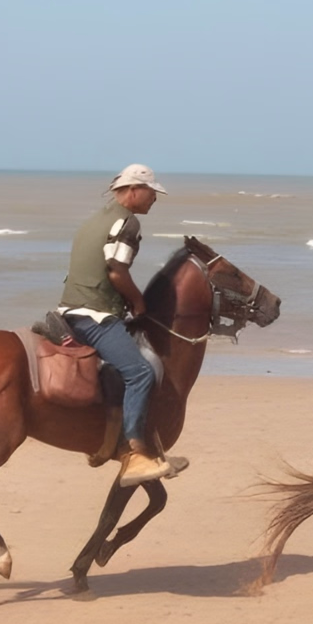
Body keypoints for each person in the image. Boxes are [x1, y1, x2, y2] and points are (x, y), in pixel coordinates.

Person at [57, 164, 180, 487]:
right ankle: (135, 454)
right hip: (93, 316)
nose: (154, 199)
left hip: (73, 307)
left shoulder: (95, 220)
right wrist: (138, 301)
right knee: (139, 372)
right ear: (133, 191)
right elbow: (116, 271)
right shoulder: (127, 222)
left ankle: (152, 450)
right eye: (152, 193)